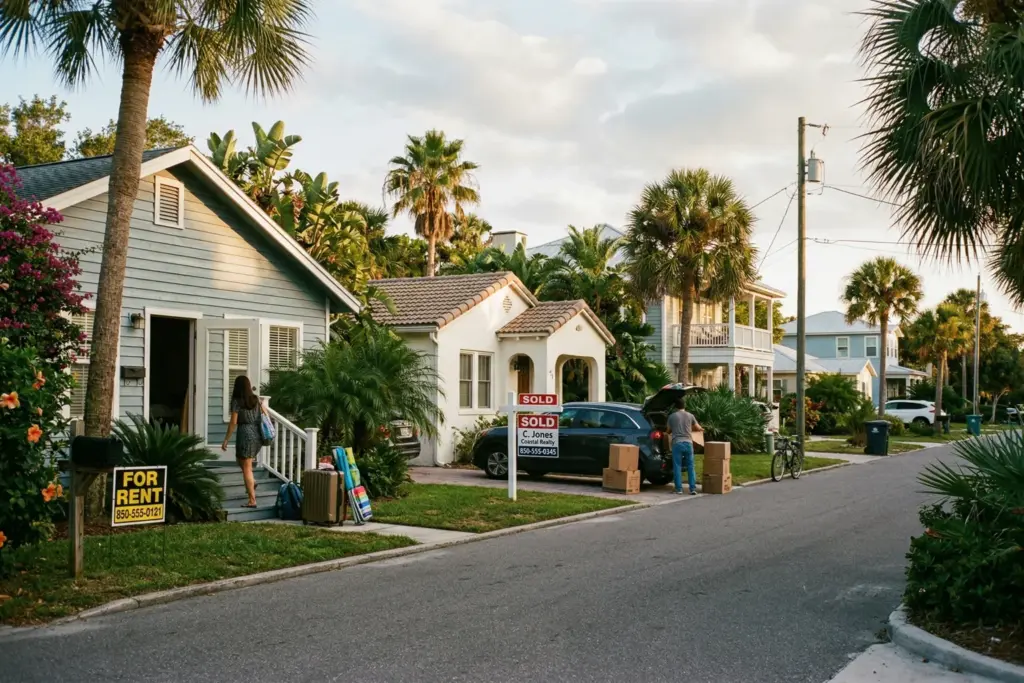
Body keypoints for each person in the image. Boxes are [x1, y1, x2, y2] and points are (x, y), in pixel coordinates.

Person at [222, 375, 263, 507]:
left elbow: (233, 422)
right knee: (241, 461)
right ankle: (253, 482)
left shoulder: (237, 401)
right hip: (256, 434)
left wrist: (226, 439)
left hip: (245, 434)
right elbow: (265, 414)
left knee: (246, 468)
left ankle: (252, 500)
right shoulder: (255, 399)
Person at [667, 396, 703, 495]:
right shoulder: (690, 415)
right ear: (684, 406)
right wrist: (700, 429)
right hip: (688, 443)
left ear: (675, 407)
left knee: (677, 466)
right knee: (691, 466)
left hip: (677, 443)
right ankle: (692, 489)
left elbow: (668, 431)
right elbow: (698, 428)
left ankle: (679, 489)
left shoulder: (672, 416)